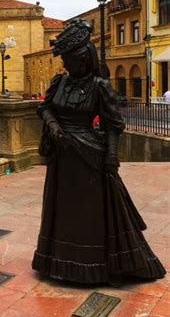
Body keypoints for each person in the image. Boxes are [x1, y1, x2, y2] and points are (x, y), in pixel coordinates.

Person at [32, 18, 165, 285]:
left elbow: (114, 125)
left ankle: (91, 265)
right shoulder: (60, 84)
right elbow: (45, 108)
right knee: (63, 211)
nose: (66, 65)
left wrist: (112, 156)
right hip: (62, 159)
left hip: (88, 159)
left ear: (83, 59)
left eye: (70, 60)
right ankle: (58, 261)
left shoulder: (99, 87)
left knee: (87, 213)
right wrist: (54, 126)